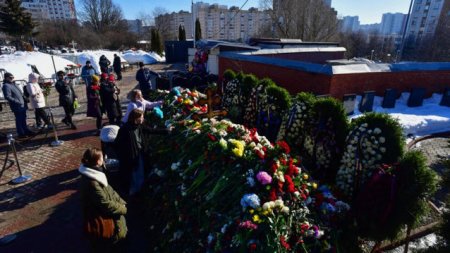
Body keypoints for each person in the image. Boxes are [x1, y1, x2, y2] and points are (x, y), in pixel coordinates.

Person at [79, 148, 127, 253]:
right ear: (97, 161)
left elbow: (110, 190)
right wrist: (122, 209)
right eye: (102, 158)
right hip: (104, 222)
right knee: (110, 245)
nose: (104, 159)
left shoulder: (95, 174)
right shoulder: (93, 182)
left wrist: (121, 201)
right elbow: (105, 204)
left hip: (109, 216)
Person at [114, 109, 169, 197]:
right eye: (141, 117)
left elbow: (151, 130)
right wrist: (125, 155)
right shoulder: (125, 129)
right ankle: (134, 193)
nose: (143, 118)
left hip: (140, 153)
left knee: (140, 172)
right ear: (136, 118)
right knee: (135, 173)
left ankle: (138, 190)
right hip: (132, 156)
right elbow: (118, 144)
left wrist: (166, 130)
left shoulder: (139, 126)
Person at [1, 72, 34, 138]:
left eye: (13, 77)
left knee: (23, 119)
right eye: (10, 77)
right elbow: (7, 96)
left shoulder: (14, 84)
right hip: (17, 106)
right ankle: (21, 133)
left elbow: (20, 93)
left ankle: (26, 130)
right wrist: (17, 102)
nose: (12, 79)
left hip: (22, 105)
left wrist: (25, 98)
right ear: (6, 78)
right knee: (19, 119)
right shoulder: (6, 86)